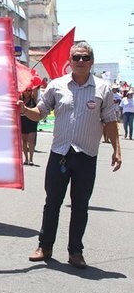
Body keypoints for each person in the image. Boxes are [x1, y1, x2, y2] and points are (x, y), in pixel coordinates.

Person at [18, 42, 121, 269]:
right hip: (60, 154)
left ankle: (76, 251)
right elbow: (40, 114)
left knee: (80, 205)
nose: (81, 62)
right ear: (70, 61)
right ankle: (44, 246)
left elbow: (110, 121)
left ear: (92, 61)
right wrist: (24, 110)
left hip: (86, 155)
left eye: (85, 58)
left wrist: (117, 149)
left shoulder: (103, 89)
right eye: (76, 58)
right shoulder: (56, 86)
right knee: (52, 203)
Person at [20, 88, 39, 165]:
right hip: (23, 121)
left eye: (29, 91)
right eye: (26, 90)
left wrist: (34, 86)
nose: (27, 92)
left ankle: (31, 159)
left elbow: (35, 91)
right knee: (24, 141)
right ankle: (26, 159)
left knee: (31, 141)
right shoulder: (20, 99)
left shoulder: (33, 99)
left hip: (32, 122)